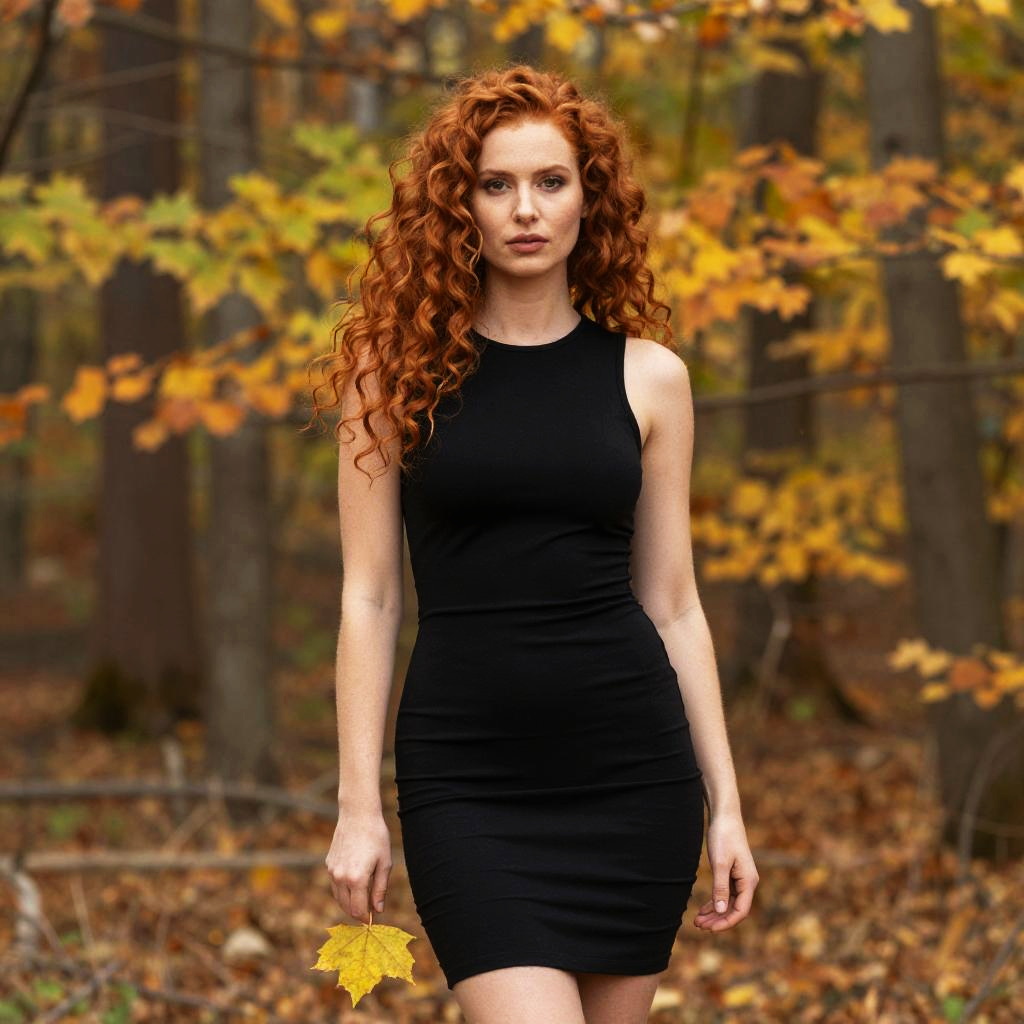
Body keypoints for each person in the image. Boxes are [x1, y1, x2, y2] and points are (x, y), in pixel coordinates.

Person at [310, 64, 758, 1024]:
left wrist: (725, 803)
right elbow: (370, 598)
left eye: (551, 181)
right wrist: (357, 804)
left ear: (589, 201)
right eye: (496, 184)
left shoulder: (652, 379)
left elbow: (674, 603)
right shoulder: (390, 378)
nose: (525, 209)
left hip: (632, 773)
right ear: (457, 204)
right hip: (468, 778)